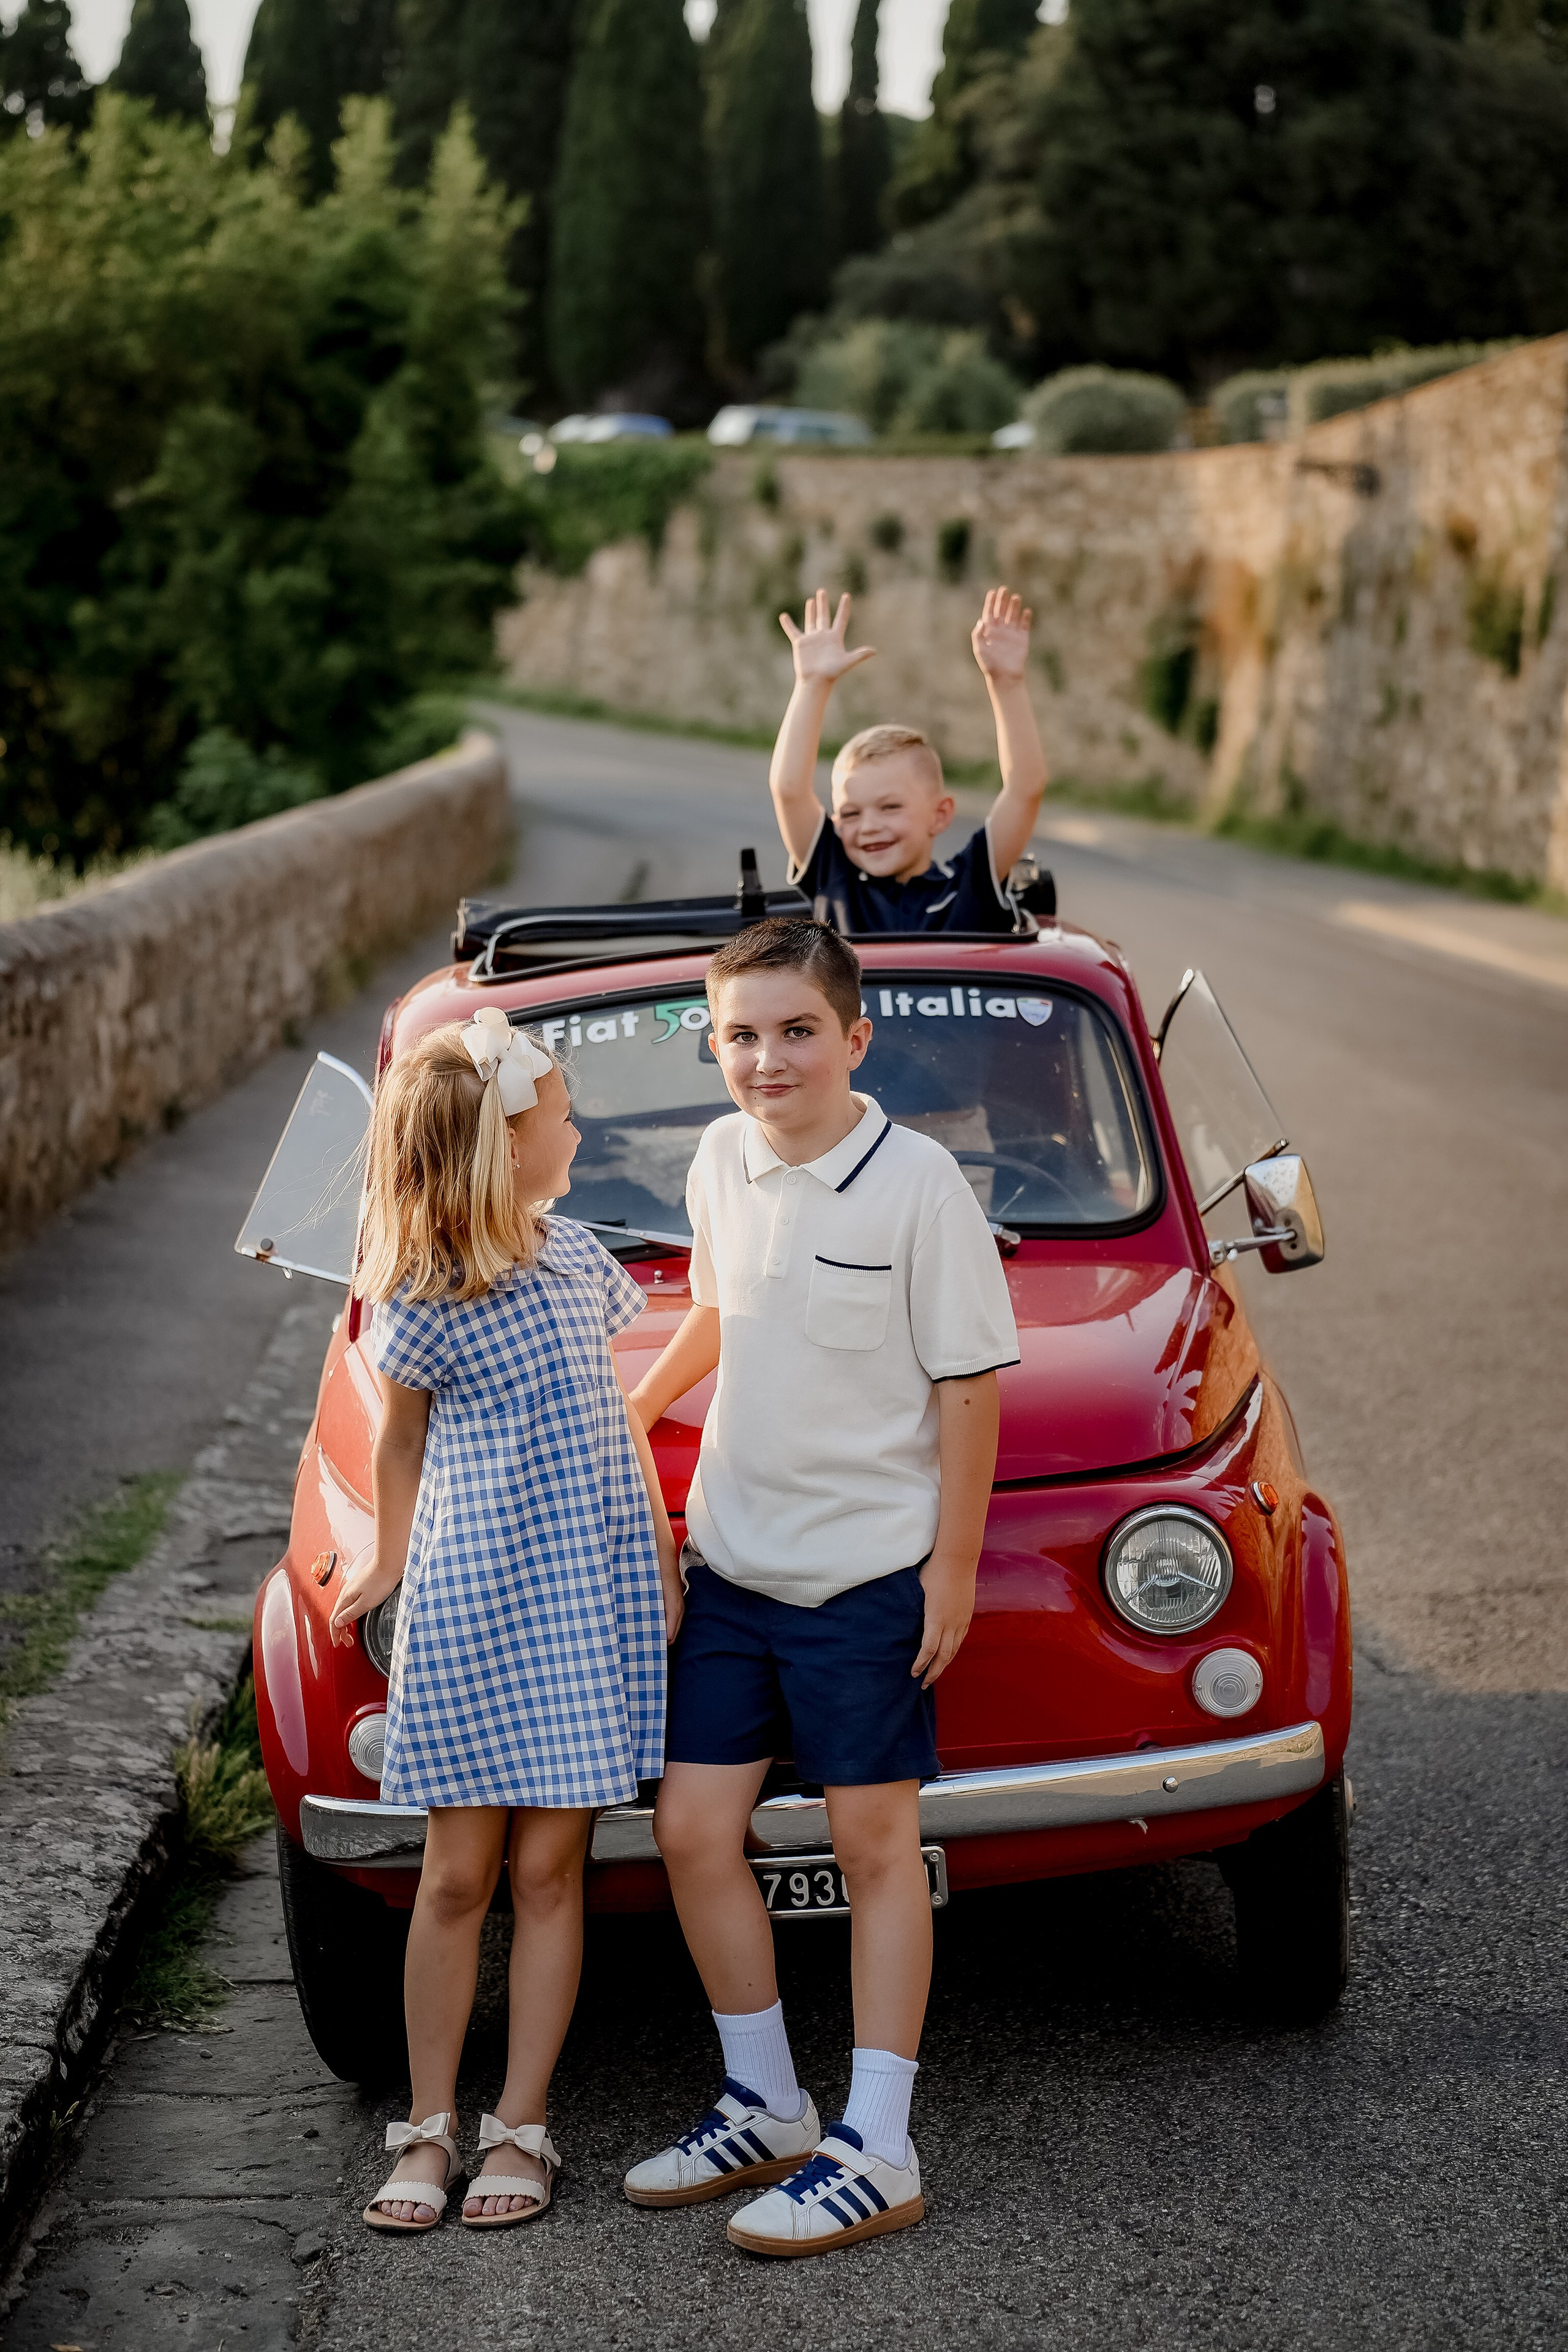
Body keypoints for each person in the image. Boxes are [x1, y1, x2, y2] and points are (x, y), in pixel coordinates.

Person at [622, 918, 1019, 2256]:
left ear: (854, 1040)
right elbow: (721, 1308)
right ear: (713, 1042)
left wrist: (951, 1564)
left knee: (869, 1850)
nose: (764, 1057)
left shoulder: (919, 1187)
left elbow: (969, 1385)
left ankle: (880, 2143)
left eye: (795, 1031)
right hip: (729, 1562)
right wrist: (641, 1406)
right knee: (690, 1832)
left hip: (863, 1576)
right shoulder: (719, 1159)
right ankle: (768, 2104)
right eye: (738, 1033)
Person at [328, 1007, 680, 2236]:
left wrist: (658, 1561)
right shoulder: (426, 1294)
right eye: (563, 1115)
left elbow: (617, 1419)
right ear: (503, 1147)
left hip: (586, 1599)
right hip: (478, 1601)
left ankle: (519, 2124)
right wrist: (385, 1556)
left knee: (548, 1869)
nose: (578, 1127)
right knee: (455, 1874)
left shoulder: (582, 1260)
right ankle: (427, 2123)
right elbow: (398, 1438)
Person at [769, 584, 1049, 933]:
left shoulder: (971, 881)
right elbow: (789, 790)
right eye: (851, 813)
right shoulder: (833, 875)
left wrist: (1007, 682)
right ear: (836, 823)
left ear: (940, 814)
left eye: (890, 807)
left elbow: (1025, 789)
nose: (868, 826)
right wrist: (812, 683)